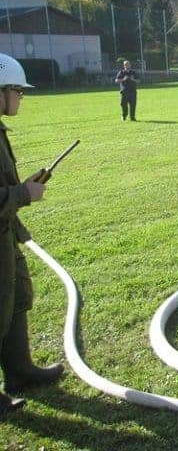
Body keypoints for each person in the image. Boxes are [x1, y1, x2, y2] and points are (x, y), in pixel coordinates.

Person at [0, 53, 64, 414]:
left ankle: (20, 371)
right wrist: (23, 194)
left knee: (17, 295)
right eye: (17, 91)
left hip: (6, 231)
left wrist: (21, 192)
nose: (20, 98)